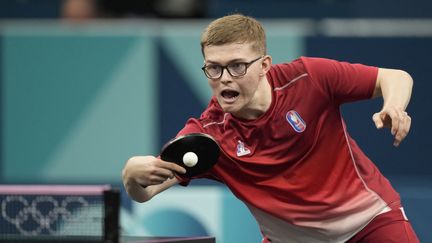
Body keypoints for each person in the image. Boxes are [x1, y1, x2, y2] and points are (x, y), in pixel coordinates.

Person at [122, 14, 419, 242]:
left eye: (237, 66)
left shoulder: (309, 78)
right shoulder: (207, 137)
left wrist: (394, 105)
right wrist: (132, 175)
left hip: (369, 222)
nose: (224, 77)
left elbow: (395, 77)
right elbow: (144, 193)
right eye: (214, 68)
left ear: (264, 65)